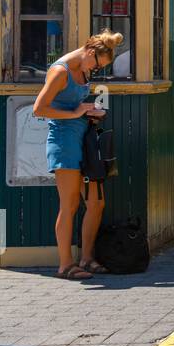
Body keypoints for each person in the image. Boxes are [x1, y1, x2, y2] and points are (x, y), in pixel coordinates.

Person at [32, 30, 122, 280]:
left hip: (84, 140)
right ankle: (65, 265)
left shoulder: (82, 69)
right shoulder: (60, 71)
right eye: (96, 64)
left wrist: (89, 111)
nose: (95, 70)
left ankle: (87, 258)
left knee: (96, 203)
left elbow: (74, 104)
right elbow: (39, 109)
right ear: (90, 52)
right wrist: (75, 113)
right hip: (64, 141)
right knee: (69, 204)